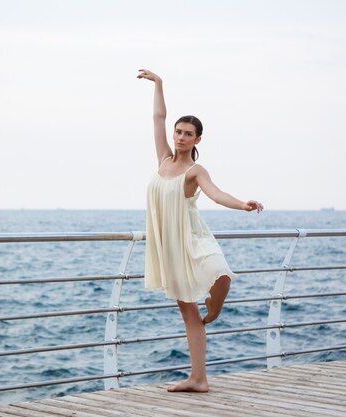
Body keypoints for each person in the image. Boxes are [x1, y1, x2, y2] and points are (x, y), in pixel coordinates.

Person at [137, 69, 264, 393]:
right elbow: (157, 117)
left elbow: (217, 193)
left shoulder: (195, 170)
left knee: (221, 275)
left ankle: (216, 306)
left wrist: (243, 204)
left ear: (197, 139)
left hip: (195, 238)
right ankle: (198, 378)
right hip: (170, 246)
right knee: (187, 311)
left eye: (187, 133)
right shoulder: (163, 160)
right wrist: (159, 84)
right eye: (178, 131)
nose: (180, 137)